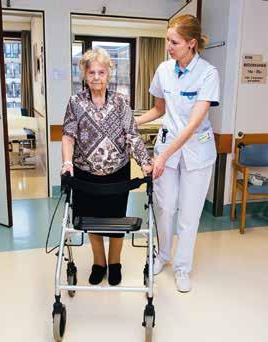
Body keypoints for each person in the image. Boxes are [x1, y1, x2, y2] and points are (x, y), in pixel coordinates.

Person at [135, 14, 220, 293]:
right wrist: (129, 122)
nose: (168, 46)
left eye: (174, 42)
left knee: (189, 214)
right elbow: (159, 109)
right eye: (167, 41)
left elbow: (193, 123)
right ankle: (163, 256)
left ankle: (183, 268)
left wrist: (161, 156)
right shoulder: (163, 70)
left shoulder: (208, 73)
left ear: (191, 44)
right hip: (168, 148)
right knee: (165, 206)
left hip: (197, 151)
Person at [61, 48, 153, 286]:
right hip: (85, 175)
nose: (96, 77)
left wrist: (145, 163)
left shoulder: (121, 102)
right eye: (91, 72)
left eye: (101, 72)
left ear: (109, 74)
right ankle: (98, 263)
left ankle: (115, 263)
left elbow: (132, 135)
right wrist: (67, 163)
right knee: (92, 220)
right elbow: (68, 136)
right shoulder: (75, 102)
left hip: (117, 174)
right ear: (84, 74)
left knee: (115, 221)